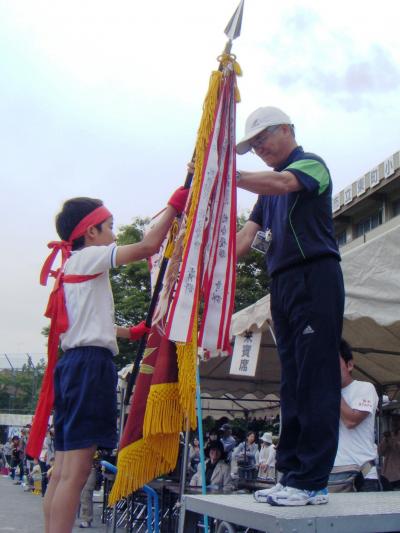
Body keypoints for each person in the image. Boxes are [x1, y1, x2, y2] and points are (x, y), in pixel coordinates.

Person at [39, 188, 189, 533]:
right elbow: (148, 247)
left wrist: (129, 332)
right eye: (109, 226)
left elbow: (88, 324)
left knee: (63, 470)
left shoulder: (70, 267)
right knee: (76, 473)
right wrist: (173, 205)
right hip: (89, 366)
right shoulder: (88, 256)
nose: (114, 234)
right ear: (90, 232)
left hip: (73, 365)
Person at [235, 106, 344, 506]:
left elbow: (283, 184)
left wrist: (230, 177)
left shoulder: (311, 166)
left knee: (315, 378)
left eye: (263, 138)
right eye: (253, 145)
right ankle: (291, 474)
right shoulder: (264, 193)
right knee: (292, 381)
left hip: (314, 275)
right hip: (280, 284)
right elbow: (248, 238)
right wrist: (206, 262)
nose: (259, 148)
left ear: (287, 129)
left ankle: (313, 480)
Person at [328, 339, 379, 492]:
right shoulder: (324, 393)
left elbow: (351, 420)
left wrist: (331, 388)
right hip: (332, 472)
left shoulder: (365, 388)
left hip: (362, 473)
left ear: (350, 365)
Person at [378, 416, 400, 490]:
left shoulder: (391, 436)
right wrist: (386, 440)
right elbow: (380, 452)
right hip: (387, 474)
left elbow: (397, 448)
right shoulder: (388, 435)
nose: (394, 424)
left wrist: (390, 438)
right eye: (392, 422)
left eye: (396, 422)